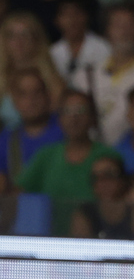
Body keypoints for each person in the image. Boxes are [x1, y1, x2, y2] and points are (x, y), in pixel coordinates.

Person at [16, 90, 121, 236]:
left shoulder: (107, 156)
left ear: (92, 117)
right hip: (47, 244)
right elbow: (19, 194)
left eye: (81, 110)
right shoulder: (46, 155)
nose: (74, 117)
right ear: (59, 118)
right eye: (67, 111)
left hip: (96, 243)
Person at [72, 3, 134, 146]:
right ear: (106, 31)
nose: (124, 31)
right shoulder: (84, 75)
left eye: (131, 25)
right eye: (118, 25)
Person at [0, 69, 64, 193]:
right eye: (23, 94)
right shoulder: (5, 141)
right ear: (14, 100)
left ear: (48, 95)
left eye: (37, 92)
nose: (31, 99)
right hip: (22, 208)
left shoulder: (66, 131)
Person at [0, 12, 66, 130]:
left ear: (36, 39)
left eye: (25, 34)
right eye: (11, 35)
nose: (18, 41)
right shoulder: (2, 79)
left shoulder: (53, 80)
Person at [50, 0, 111, 85]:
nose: (72, 20)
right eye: (66, 15)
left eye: (77, 13)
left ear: (87, 16)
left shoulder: (103, 47)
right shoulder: (53, 51)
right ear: (57, 20)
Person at [70, 156, 129, 238]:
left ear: (123, 179)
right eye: (96, 177)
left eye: (108, 176)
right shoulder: (85, 213)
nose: (102, 183)